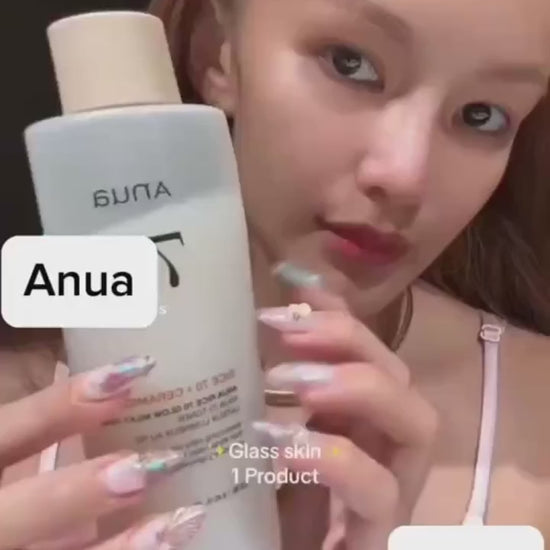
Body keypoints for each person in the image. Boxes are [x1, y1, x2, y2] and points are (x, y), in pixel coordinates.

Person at [1, 0, 550, 547]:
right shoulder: (16, 416)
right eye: (351, 63)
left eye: (483, 115)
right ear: (218, 54)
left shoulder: (536, 427)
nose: (405, 176)